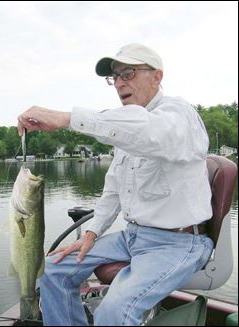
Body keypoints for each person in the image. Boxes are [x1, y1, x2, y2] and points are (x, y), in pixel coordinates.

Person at [17, 43, 214, 326]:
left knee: (114, 312)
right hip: (133, 237)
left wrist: (67, 118)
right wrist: (92, 233)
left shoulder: (178, 114)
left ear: (157, 77)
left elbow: (148, 131)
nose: (119, 83)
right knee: (53, 271)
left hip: (179, 242)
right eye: (115, 77)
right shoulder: (126, 131)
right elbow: (113, 191)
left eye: (129, 73)